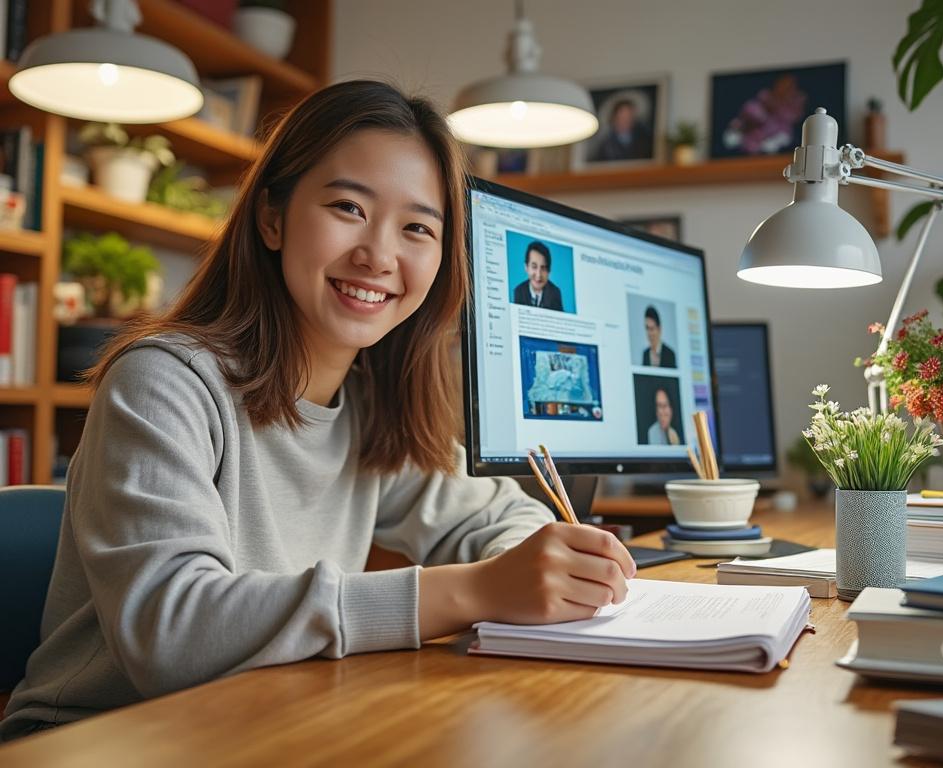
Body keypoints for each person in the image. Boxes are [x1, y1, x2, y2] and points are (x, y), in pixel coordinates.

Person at [0, 80, 635, 741]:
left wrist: (543, 570)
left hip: (261, 725)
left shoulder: (367, 407)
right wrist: (474, 591)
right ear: (272, 218)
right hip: (101, 739)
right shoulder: (162, 381)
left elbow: (505, 517)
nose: (380, 255)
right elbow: (173, 633)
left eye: (418, 227)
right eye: (348, 207)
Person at [591, 97, 653, 162]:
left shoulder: (644, 138)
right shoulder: (606, 145)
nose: (626, 120)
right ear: (614, 118)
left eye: (629, 116)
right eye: (623, 117)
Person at [512, 241, 564, 310]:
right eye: (534, 267)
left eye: (543, 268)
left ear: (549, 271)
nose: (538, 275)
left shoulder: (555, 293)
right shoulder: (519, 291)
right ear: (526, 267)